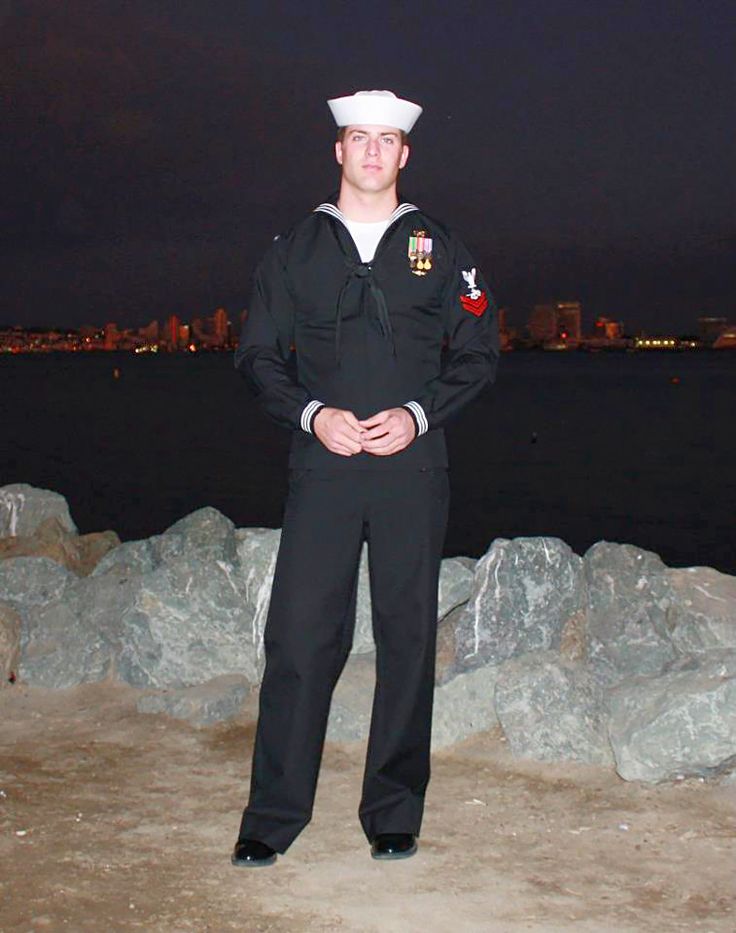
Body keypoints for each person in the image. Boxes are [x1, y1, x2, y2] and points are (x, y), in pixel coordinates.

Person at [232, 89, 499, 866]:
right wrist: (313, 414)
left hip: (413, 465)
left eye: (388, 140)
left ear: (405, 155)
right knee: (299, 638)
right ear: (339, 150)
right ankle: (273, 814)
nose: (374, 151)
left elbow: (479, 351)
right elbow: (256, 355)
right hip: (323, 465)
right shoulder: (294, 248)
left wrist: (419, 414)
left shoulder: (440, 245)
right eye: (359, 138)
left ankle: (392, 809)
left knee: (408, 636)